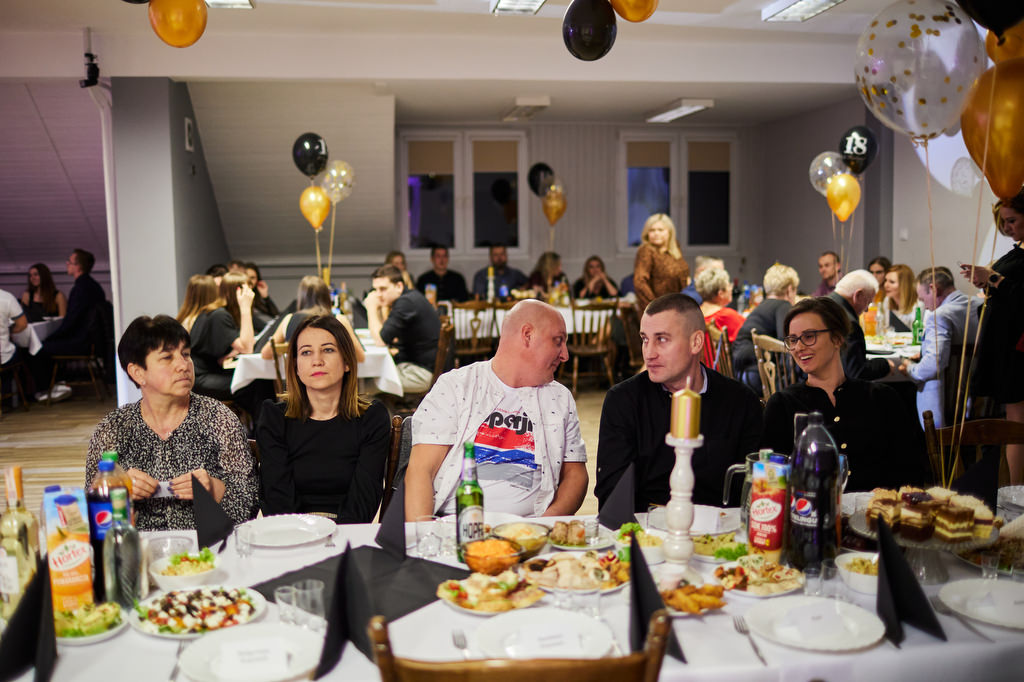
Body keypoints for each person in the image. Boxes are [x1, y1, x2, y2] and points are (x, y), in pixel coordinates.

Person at [405, 300, 588, 519]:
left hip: (529, 529)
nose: (565, 355)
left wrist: (545, 524)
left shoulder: (559, 398)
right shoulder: (456, 385)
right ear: (527, 335)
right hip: (454, 526)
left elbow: (576, 475)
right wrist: (424, 534)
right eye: (558, 341)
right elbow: (421, 471)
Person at [85, 315, 258, 530]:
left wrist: (213, 488)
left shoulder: (218, 419)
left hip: (208, 546)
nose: (183, 365)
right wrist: (117, 491)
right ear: (137, 372)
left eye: (185, 354)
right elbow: (93, 512)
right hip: (138, 546)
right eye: (167, 357)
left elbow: (249, 505)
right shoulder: (113, 428)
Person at [596, 293, 762, 510]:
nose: (649, 353)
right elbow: (612, 494)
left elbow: (753, 491)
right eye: (645, 339)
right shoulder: (624, 400)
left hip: (720, 524)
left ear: (696, 342)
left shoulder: (741, 402)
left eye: (662, 339)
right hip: (647, 524)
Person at [762, 297, 929, 491]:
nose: (798, 347)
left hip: (879, 507)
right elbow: (770, 483)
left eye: (809, 336)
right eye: (793, 340)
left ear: (837, 338)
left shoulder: (882, 398)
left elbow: (912, 473)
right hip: (810, 508)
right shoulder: (783, 405)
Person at [257, 315, 390, 522]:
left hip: (349, 532)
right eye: (306, 352)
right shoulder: (275, 418)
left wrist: (336, 536)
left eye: (328, 350)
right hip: (291, 532)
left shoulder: (372, 418)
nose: (317, 361)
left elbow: (365, 501)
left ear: (347, 362)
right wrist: (306, 533)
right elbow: (276, 499)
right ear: (296, 366)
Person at [961, 189, 1024, 484]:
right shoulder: (1017, 251)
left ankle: (1016, 493)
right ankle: (1014, 490)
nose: (1007, 228)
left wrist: (993, 278)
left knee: (1017, 424)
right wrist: (986, 281)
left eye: (1012, 221)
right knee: (1014, 422)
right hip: (1005, 348)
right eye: (1004, 223)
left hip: (1018, 350)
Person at [898, 267, 979, 428]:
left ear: (933, 289)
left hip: (946, 406)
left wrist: (910, 368)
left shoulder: (940, 315)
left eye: (923, 299)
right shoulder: (980, 306)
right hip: (980, 402)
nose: (926, 306)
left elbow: (934, 364)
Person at [189, 271, 273, 421]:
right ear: (238, 292)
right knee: (256, 385)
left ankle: (263, 429)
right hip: (201, 378)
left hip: (210, 372)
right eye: (247, 291)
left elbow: (227, 349)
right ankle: (263, 431)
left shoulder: (219, 312)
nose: (251, 295)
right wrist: (245, 308)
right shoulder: (219, 315)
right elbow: (247, 348)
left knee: (260, 381)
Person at [27, 248, 108, 402]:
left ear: (78, 267)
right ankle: (58, 383)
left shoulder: (80, 289)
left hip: (82, 341)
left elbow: (71, 322)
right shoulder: (94, 286)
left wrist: (51, 337)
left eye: (69, 262)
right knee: (45, 344)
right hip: (92, 339)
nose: (66, 264)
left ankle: (48, 389)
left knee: (38, 348)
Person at [365, 265, 440, 394]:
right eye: (375, 290)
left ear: (399, 286)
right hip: (416, 366)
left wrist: (371, 308)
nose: (378, 295)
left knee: (368, 384)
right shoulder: (409, 298)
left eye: (383, 289)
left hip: (421, 374)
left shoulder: (406, 303)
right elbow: (387, 335)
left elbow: (380, 340)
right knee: (371, 375)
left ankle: (372, 408)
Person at [260, 276, 363, 364]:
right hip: (332, 379)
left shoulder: (289, 320)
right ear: (326, 296)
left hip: (298, 379)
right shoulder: (339, 319)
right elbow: (360, 357)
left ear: (301, 297)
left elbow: (266, 354)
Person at [732, 263, 799, 393]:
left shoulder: (762, 306)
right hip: (759, 375)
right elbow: (786, 342)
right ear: (790, 289)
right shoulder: (783, 305)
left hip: (742, 372)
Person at [828, 270, 893, 380]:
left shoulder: (821, 305)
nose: (866, 309)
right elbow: (856, 372)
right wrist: (885, 365)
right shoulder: (848, 322)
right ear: (858, 295)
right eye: (868, 302)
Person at [633, 214, 690, 312]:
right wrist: (655, 306)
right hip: (659, 310)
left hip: (677, 306)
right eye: (652, 230)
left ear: (669, 232)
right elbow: (640, 282)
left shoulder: (675, 249)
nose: (656, 233)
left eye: (660, 230)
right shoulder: (646, 251)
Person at [695, 268, 745, 342]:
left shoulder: (694, 314)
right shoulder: (727, 316)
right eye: (729, 285)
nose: (731, 288)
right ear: (721, 294)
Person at [881, 263, 923, 333]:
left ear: (904, 284)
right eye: (885, 280)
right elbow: (887, 328)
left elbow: (918, 331)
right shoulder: (887, 300)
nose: (886, 285)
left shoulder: (918, 304)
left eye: (892, 282)